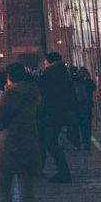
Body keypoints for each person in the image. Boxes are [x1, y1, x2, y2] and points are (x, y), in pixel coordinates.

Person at [0, 62, 43, 202]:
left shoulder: (10, 94)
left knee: (3, 190)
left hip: (9, 146)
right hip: (29, 143)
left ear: (9, 77)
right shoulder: (35, 94)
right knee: (27, 193)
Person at [36, 52, 75, 183]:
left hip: (50, 113)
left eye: (45, 62)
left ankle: (63, 173)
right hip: (61, 112)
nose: (44, 64)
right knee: (51, 141)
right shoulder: (64, 72)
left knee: (50, 142)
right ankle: (62, 172)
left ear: (49, 62)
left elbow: (41, 91)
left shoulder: (49, 75)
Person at [71, 66, 95, 149]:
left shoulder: (75, 81)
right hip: (85, 105)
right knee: (86, 124)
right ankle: (86, 141)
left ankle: (84, 141)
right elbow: (93, 88)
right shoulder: (86, 82)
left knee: (82, 125)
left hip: (80, 106)